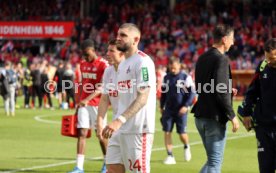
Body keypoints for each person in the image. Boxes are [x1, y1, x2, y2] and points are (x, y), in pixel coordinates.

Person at [101, 23, 156, 173]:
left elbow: (143, 97)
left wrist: (119, 120)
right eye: (118, 34)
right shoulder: (122, 63)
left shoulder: (143, 62)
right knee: (111, 170)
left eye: (123, 35)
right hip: (119, 130)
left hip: (137, 130)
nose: (118, 38)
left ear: (136, 39)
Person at [192, 24, 240, 173]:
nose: (233, 42)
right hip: (214, 118)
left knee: (211, 161)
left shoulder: (201, 57)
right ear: (224, 39)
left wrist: (226, 88)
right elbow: (220, 92)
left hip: (200, 116)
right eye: (232, 39)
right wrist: (232, 115)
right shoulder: (222, 59)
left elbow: (201, 86)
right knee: (214, 163)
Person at [68, 39, 108, 173]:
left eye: (87, 53)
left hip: (98, 104)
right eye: (83, 54)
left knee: (101, 135)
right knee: (82, 133)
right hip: (84, 105)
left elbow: (103, 87)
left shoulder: (103, 65)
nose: (85, 56)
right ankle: (79, 167)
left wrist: (87, 99)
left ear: (93, 50)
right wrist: (78, 103)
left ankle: (107, 164)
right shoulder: (83, 64)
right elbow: (81, 84)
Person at [238, 38, 276, 173]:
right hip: (264, 129)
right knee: (265, 169)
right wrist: (247, 113)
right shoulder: (262, 66)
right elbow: (251, 92)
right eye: (267, 58)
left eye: (272, 58)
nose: (269, 61)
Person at [96, 39, 125, 173]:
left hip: (132, 129)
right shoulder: (108, 71)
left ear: (122, 54)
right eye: (107, 50)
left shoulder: (131, 71)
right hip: (114, 128)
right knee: (112, 168)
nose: (107, 54)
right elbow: (104, 99)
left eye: (111, 51)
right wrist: (100, 123)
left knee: (135, 169)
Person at [160, 58, 195, 164]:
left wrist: (186, 105)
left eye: (174, 67)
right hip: (169, 110)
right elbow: (163, 94)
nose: (173, 69)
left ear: (179, 66)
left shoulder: (185, 77)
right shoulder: (166, 77)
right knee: (167, 132)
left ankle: (186, 146)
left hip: (181, 110)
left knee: (181, 133)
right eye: (171, 67)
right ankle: (170, 156)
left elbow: (192, 93)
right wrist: (161, 106)